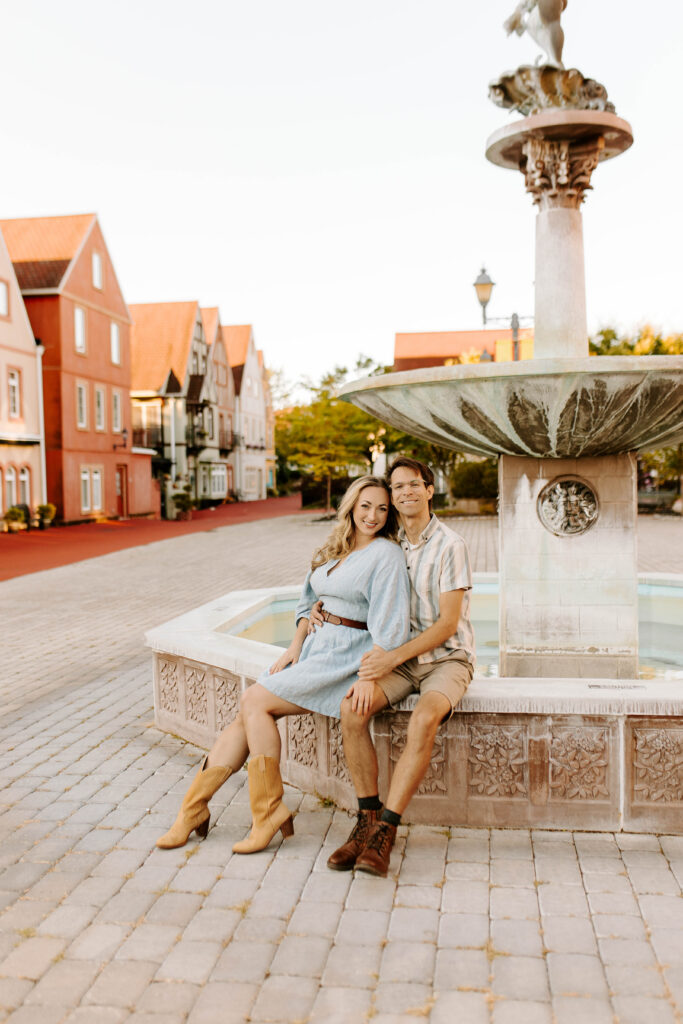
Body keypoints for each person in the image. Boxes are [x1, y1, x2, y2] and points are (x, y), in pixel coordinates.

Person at [156, 474, 410, 856]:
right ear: (351, 508)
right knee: (247, 713)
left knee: (255, 702)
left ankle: (267, 813)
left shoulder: (385, 554)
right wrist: (295, 645)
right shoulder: (334, 550)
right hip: (313, 650)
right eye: (365, 506)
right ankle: (191, 812)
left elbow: (390, 626)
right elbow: (307, 602)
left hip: (344, 657)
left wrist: (369, 677)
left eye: (382, 509)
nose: (373, 515)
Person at [322, 457, 475, 877]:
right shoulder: (387, 545)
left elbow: (447, 624)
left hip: (447, 658)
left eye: (414, 484)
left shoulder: (450, 545)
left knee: (424, 719)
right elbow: (344, 580)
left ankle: (387, 830)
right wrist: (317, 609)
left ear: (430, 489)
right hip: (401, 659)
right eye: (398, 486)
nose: (405, 491)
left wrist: (389, 658)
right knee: (351, 710)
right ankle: (366, 819)